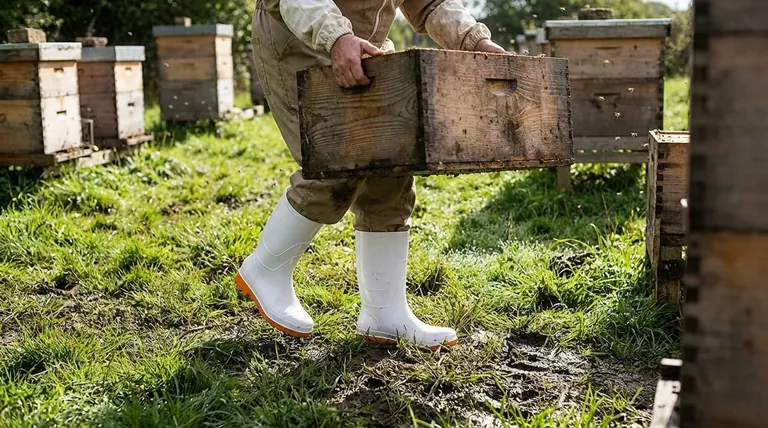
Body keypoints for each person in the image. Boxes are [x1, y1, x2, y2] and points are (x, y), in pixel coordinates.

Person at [238, 0, 508, 349]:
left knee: (391, 160)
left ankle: (384, 313)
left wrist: (474, 42)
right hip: (297, 36)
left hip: (364, 44)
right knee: (337, 157)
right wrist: (336, 38)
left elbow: (430, 3)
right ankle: (266, 268)